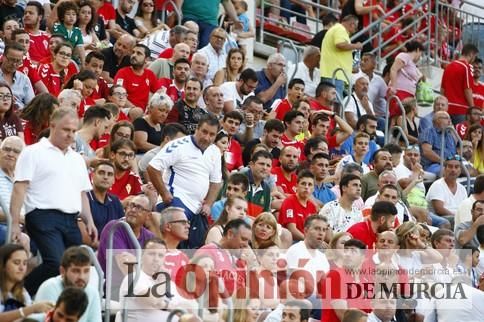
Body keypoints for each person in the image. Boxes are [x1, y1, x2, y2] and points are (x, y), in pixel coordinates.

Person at [10, 108, 97, 295]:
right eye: (66, 130)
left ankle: (59, 306)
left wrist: (89, 220)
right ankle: (18, 293)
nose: (71, 135)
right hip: (42, 216)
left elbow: (82, 192)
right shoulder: (33, 152)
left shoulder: (77, 159)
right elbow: (19, 189)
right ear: (52, 126)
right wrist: (15, 223)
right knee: (55, 263)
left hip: (71, 220)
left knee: (74, 268)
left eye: (74, 131)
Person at [148, 114, 222, 248]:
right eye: (204, 132)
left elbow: (216, 182)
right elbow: (153, 167)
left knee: (194, 249)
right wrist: (164, 194)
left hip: (198, 208)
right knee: (172, 246)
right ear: (197, 129)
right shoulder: (178, 145)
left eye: (212, 134)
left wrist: (209, 204)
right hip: (175, 201)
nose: (207, 137)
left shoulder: (215, 151)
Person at [97, 194, 154, 300]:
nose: (133, 210)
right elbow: (126, 266)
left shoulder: (150, 236)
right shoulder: (115, 227)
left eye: (139, 208)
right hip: (115, 290)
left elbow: (156, 267)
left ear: (148, 216)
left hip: (140, 289)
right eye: (131, 205)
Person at [34, 247, 101, 322]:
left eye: (86, 271)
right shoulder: (49, 287)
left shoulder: (93, 293)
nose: (82, 277)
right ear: (62, 271)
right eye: (76, 271)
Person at [320, 14, 362, 98]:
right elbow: (340, 44)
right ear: (352, 24)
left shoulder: (337, 29)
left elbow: (339, 55)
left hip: (335, 74)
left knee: (335, 103)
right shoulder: (340, 29)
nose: (355, 30)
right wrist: (356, 46)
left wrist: (350, 68)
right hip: (334, 75)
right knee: (334, 103)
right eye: (356, 27)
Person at [114, 43, 162, 111]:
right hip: (125, 110)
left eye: (138, 53)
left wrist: (151, 104)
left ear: (146, 59)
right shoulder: (122, 73)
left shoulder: (149, 74)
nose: (134, 55)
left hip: (143, 112)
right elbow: (119, 96)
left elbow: (160, 91)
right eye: (133, 52)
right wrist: (135, 109)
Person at [441, 43, 479, 125]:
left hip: (447, 108)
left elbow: (442, 90)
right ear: (471, 54)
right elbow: (467, 89)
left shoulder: (448, 66)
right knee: (460, 136)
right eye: (475, 56)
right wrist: (472, 108)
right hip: (461, 110)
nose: (474, 59)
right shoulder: (466, 67)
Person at [87, 161, 124, 237]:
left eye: (110, 174)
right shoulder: (85, 198)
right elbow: (84, 236)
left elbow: (122, 229)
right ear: (92, 176)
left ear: (113, 180)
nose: (105, 177)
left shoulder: (115, 201)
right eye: (101, 173)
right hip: (90, 247)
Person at [388, 41, 424, 118]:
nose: (420, 57)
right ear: (418, 50)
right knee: (397, 117)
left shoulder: (413, 65)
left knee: (406, 119)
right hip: (399, 92)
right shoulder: (404, 56)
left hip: (408, 95)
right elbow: (393, 69)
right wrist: (393, 87)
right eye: (421, 53)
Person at [279, 171, 317, 241]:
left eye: (310, 184)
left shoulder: (312, 207)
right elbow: (291, 230)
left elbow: (313, 230)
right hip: (292, 242)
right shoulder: (289, 201)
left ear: (313, 189)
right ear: (296, 186)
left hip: (307, 243)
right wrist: (309, 241)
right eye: (303, 184)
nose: (306, 187)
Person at [0, 44, 34, 110]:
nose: (14, 64)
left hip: (20, 116)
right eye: (11, 60)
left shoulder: (24, 79)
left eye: (18, 61)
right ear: (3, 57)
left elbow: (31, 106)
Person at [52, 1, 86, 66]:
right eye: (68, 14)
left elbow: (80, 48)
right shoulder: (57, 27)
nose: (71, 16)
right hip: (58, 57)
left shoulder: (77, 31)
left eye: (73, 14)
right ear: (62, 17)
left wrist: (83, 64)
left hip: (72, 59)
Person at [159, 207, 190, 278]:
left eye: (188, 222)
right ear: (168, 227)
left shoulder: (184, 257)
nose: (188, 226)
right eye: (183, 222)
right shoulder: (154, 252)